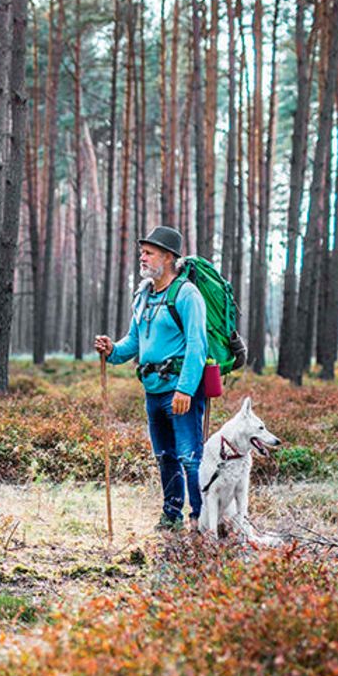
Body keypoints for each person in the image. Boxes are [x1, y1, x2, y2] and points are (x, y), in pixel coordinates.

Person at [94, 226, 209, 530]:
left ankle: (201, 518)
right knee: (164, 455)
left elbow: (198, 346)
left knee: (190, 456)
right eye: (142, 252)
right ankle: (172, 515)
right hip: (153, 392)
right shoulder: (143, 296)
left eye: (149, 253)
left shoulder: (187, 295)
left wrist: (185, 389)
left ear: (169, 257)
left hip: (181, 392)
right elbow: (135, 341)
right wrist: (113, 350)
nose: (142, 258)